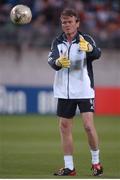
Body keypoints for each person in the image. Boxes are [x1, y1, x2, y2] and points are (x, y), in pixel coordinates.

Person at [48, 8, 103, 176]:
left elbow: (97, 53)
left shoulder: (85, 39)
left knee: (88, 125)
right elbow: (51, 60)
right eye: (64, 22)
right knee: (64, 127)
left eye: (70, 22)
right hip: (64, 91)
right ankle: (69, 167)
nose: (67, 25)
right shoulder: (57, 41)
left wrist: (90, 50)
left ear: (77, 23)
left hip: (84, 89)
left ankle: (96, 163)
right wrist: (58, 62)